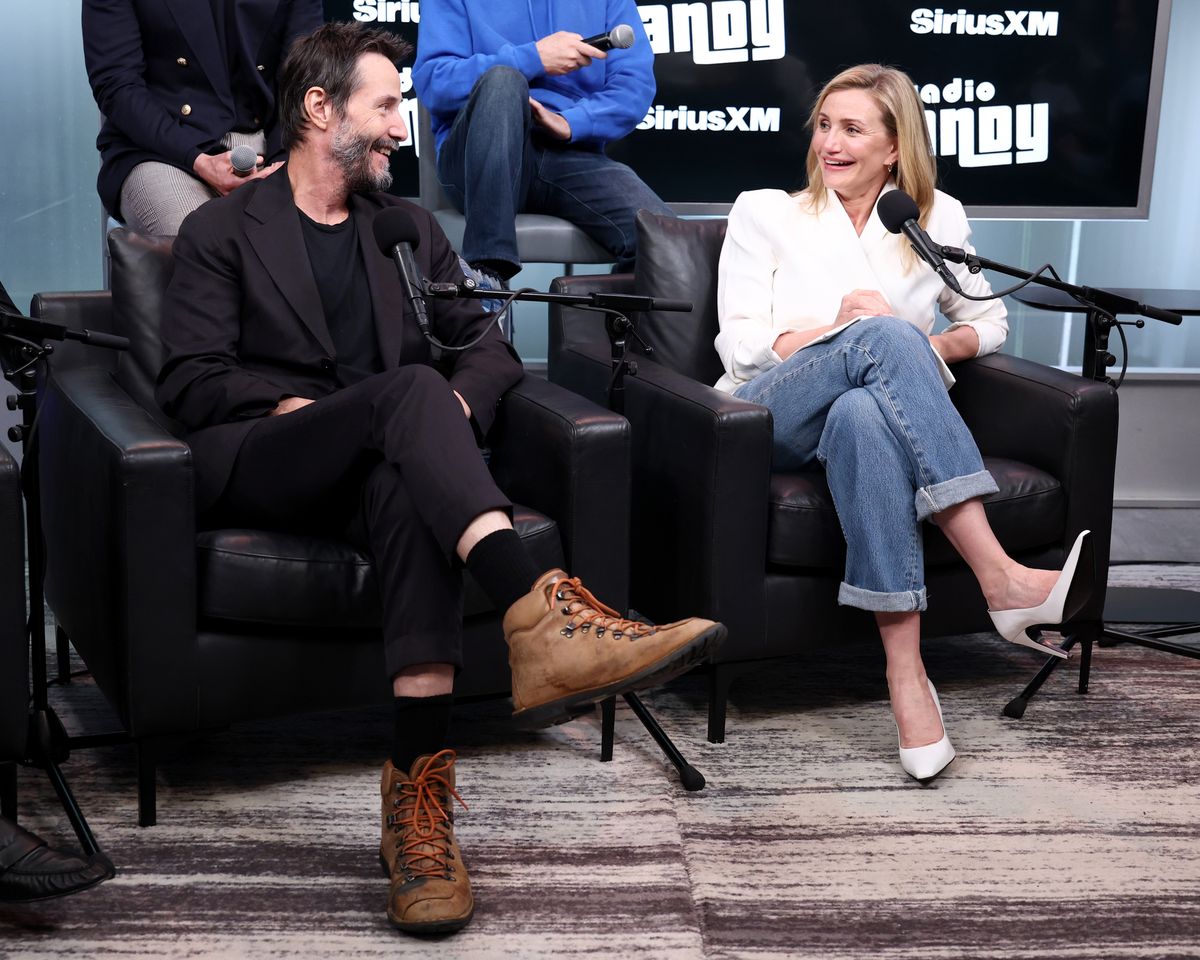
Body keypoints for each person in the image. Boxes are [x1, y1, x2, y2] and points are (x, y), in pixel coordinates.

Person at [154, 22, 724, 935]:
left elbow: (488, 354)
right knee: (406, 394)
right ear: (319, 109)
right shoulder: (221, 229)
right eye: (384, 105)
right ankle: (545, 615)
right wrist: (320, 415)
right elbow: (189, 378)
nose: (398, 126)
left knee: (409, 485)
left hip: (381, 465)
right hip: (270, 460)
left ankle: (418, 820)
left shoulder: (406, 228)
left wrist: (440, 419)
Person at [714, 64, 1093, 784]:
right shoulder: (765, 210)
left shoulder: (932, 217)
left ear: (894, 147)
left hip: (863, 417)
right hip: (767, 412)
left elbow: (988, 322)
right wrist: (841, 333)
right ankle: (1000, 575)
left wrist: (928, 346)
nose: (830, 142)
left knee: (866, 409)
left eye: (852, 129)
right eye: (824, 125)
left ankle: (905, 675)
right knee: (881, 338)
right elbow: (740, 344)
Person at [411, 0, 673, 294]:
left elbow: (633, 85)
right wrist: (533, 58)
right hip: (478, 156)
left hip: (567, 154)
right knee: (503, 80)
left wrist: (572, 122)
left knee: (667, 241)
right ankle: (485, 285)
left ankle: (610, 335)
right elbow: (434, 81)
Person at [83, 0, 325, 235]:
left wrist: (284, 163)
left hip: (268, 140)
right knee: (205, 243)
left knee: (306, 235)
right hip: (161, 149)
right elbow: (117, 86)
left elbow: (303, 75)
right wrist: (197, 160)